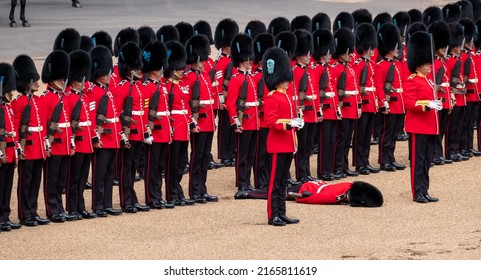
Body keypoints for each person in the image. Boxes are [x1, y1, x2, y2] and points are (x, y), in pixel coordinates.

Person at [262, 47, 302, 226]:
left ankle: (282, 212)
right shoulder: (272, 97)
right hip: (278, 144)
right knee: (275, 182)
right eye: (284, 79)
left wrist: (296, 122)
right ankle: (273, 215)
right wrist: (289, 123)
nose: (288, 82)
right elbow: (271, 122)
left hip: (288, 143)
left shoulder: (287, 96)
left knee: (284, 181)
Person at [11, 54, 50, 227]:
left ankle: (33, 211)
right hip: (27, 148)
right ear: (25, 82)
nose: (37, 83)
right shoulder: (18, 103)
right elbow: (17, 128)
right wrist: (19, 149)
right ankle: (24, 214)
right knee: (25, 183)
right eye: (33, 80)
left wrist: (46, 145)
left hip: (39, 147)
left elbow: (43, 127)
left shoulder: (39, 101)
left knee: (35, 182)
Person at [112, 42, 150, 213]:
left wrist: (145, 131)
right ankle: (126, 201)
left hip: (139, 133)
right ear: (129, 70)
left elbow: (142, 112)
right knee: (126, 169)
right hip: (129, 134)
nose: (139, 71)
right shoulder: (122, 88)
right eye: (135, 68)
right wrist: (122, 134)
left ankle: (132, 198)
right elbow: (118, 112)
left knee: (133, 168)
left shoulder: (139, 87)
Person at [404, 31, 441, 203]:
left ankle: (425, 190)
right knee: (417, 163)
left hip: (430, 127)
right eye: (426, 64)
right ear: (418, 65)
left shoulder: (428, 80)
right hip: (418, 127)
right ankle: (417, 192)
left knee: (427, 161)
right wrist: (428, 105)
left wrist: (437, 104)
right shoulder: (412, 80)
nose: (429, 66)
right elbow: (409, 103)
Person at [87, 45, 123, 217]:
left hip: (113, 137)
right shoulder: (93, 92)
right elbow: (93, 116)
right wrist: (95, 137)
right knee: (99, 175)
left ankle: (107, 203)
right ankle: (98, 204)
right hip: (103, 138)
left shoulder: (107, 92)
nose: (109, 75)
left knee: (109, 174)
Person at [41, 50, 76, 223]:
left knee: (61, 179)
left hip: (64, 144)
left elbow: (68, 122)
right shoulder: (46, 98)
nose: (63, 82)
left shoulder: (63, 97)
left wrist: (71, 142)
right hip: (53, 145)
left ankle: (59, 207)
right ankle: (51, 209)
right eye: (61, 79)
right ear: (53, 79)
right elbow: (44, 125)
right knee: (52, 179)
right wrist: (46, 145)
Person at [183, 34, 218, 203]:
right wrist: (192, 122)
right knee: (196, 157)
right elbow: (187, 103)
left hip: (209, 122)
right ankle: (194, 190)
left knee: (204, 157)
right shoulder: (189, 77)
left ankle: (202, 188)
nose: (204, 63)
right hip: (199, 123)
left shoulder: (204, 76)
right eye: (202, 60)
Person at [140, 40, 174, 210]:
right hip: (155, 133)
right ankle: (151, 197)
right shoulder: (146, 88)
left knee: (160, 166)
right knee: (152, 167)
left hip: (164, 132)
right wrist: (147, 131)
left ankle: (158, 195)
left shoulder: (163, 86)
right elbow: (146, 112)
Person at [64, 50, 98, 220]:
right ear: (74, 81)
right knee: (74, 176)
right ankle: (72, 207)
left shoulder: (84, 98)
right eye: (80, 80)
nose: (84, 82)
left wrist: (94, 139)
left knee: (83, 176)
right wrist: (71, 142)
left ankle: (80, 206)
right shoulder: (68, 98)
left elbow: (90, 121)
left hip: (87, 143)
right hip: (77, 142)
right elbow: (69, 123)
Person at [225, 33, 259, 192]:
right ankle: (242, 182)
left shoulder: (250, 78)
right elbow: (230, 103)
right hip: (244, 122)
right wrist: (235, 122)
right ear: (242, 61)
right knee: (243, 155)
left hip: (254, 121)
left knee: (251, 155)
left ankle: (248, 181)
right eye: (247, 61)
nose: (250, 63)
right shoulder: (235, 79)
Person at [164, 41, 196, 206]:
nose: (182, 71)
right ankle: (171, 193)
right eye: (178, 69)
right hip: (175, 128)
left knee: (182, 161)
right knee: (173, 162)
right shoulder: (166, 87)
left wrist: (192, 123)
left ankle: (177, 189)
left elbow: (187, 107)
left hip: (184, 128)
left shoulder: (183, 85)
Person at [375, 23, 406, 172]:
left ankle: (391, 158)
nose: (398, 49)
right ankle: (383, 160)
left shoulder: (399, 65)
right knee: (386, 133)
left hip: (399, 103)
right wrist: (383, 103)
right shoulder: (381, 66)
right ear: (389, 48)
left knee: (394, 134)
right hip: (390, 104)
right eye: (396, 46)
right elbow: (379, 87)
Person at [0, 63, 22, 231]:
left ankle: (5, 216)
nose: (11, 94)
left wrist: (15, 151)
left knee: (7, 187)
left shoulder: (7, 108)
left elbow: (12, 132)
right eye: (8, 91)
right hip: (1, 153)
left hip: (9, 151)